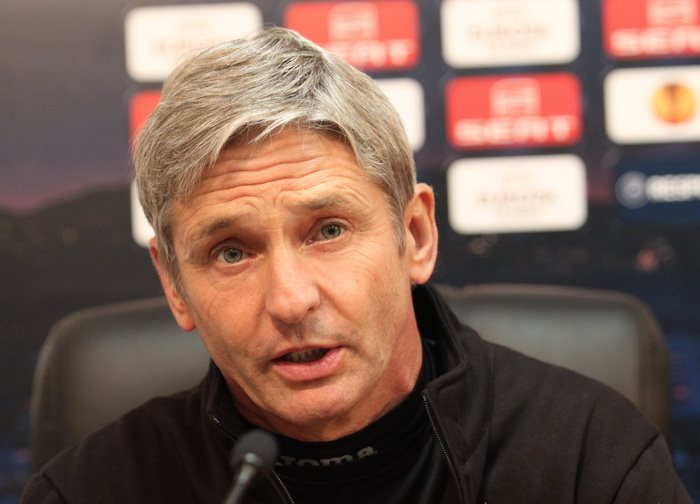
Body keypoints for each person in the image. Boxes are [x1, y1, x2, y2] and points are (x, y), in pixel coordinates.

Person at [22, 27, 691, 504]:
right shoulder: (90, 490)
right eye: (231, 251)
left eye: (329, 231)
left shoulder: (589, 460)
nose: (290, 300)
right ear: (174, 285)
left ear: (415, 236)